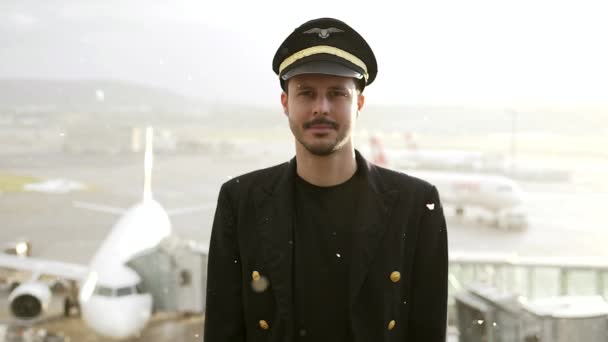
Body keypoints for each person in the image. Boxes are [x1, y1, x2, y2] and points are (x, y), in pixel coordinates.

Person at [204, 17, 448, 342]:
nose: (322, 108)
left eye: (337, 94)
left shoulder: (416, 205)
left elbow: (427, 332)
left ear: (359, 103)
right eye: (306, 93)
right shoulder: (240, 201)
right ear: (285, 103)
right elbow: (223, 330)